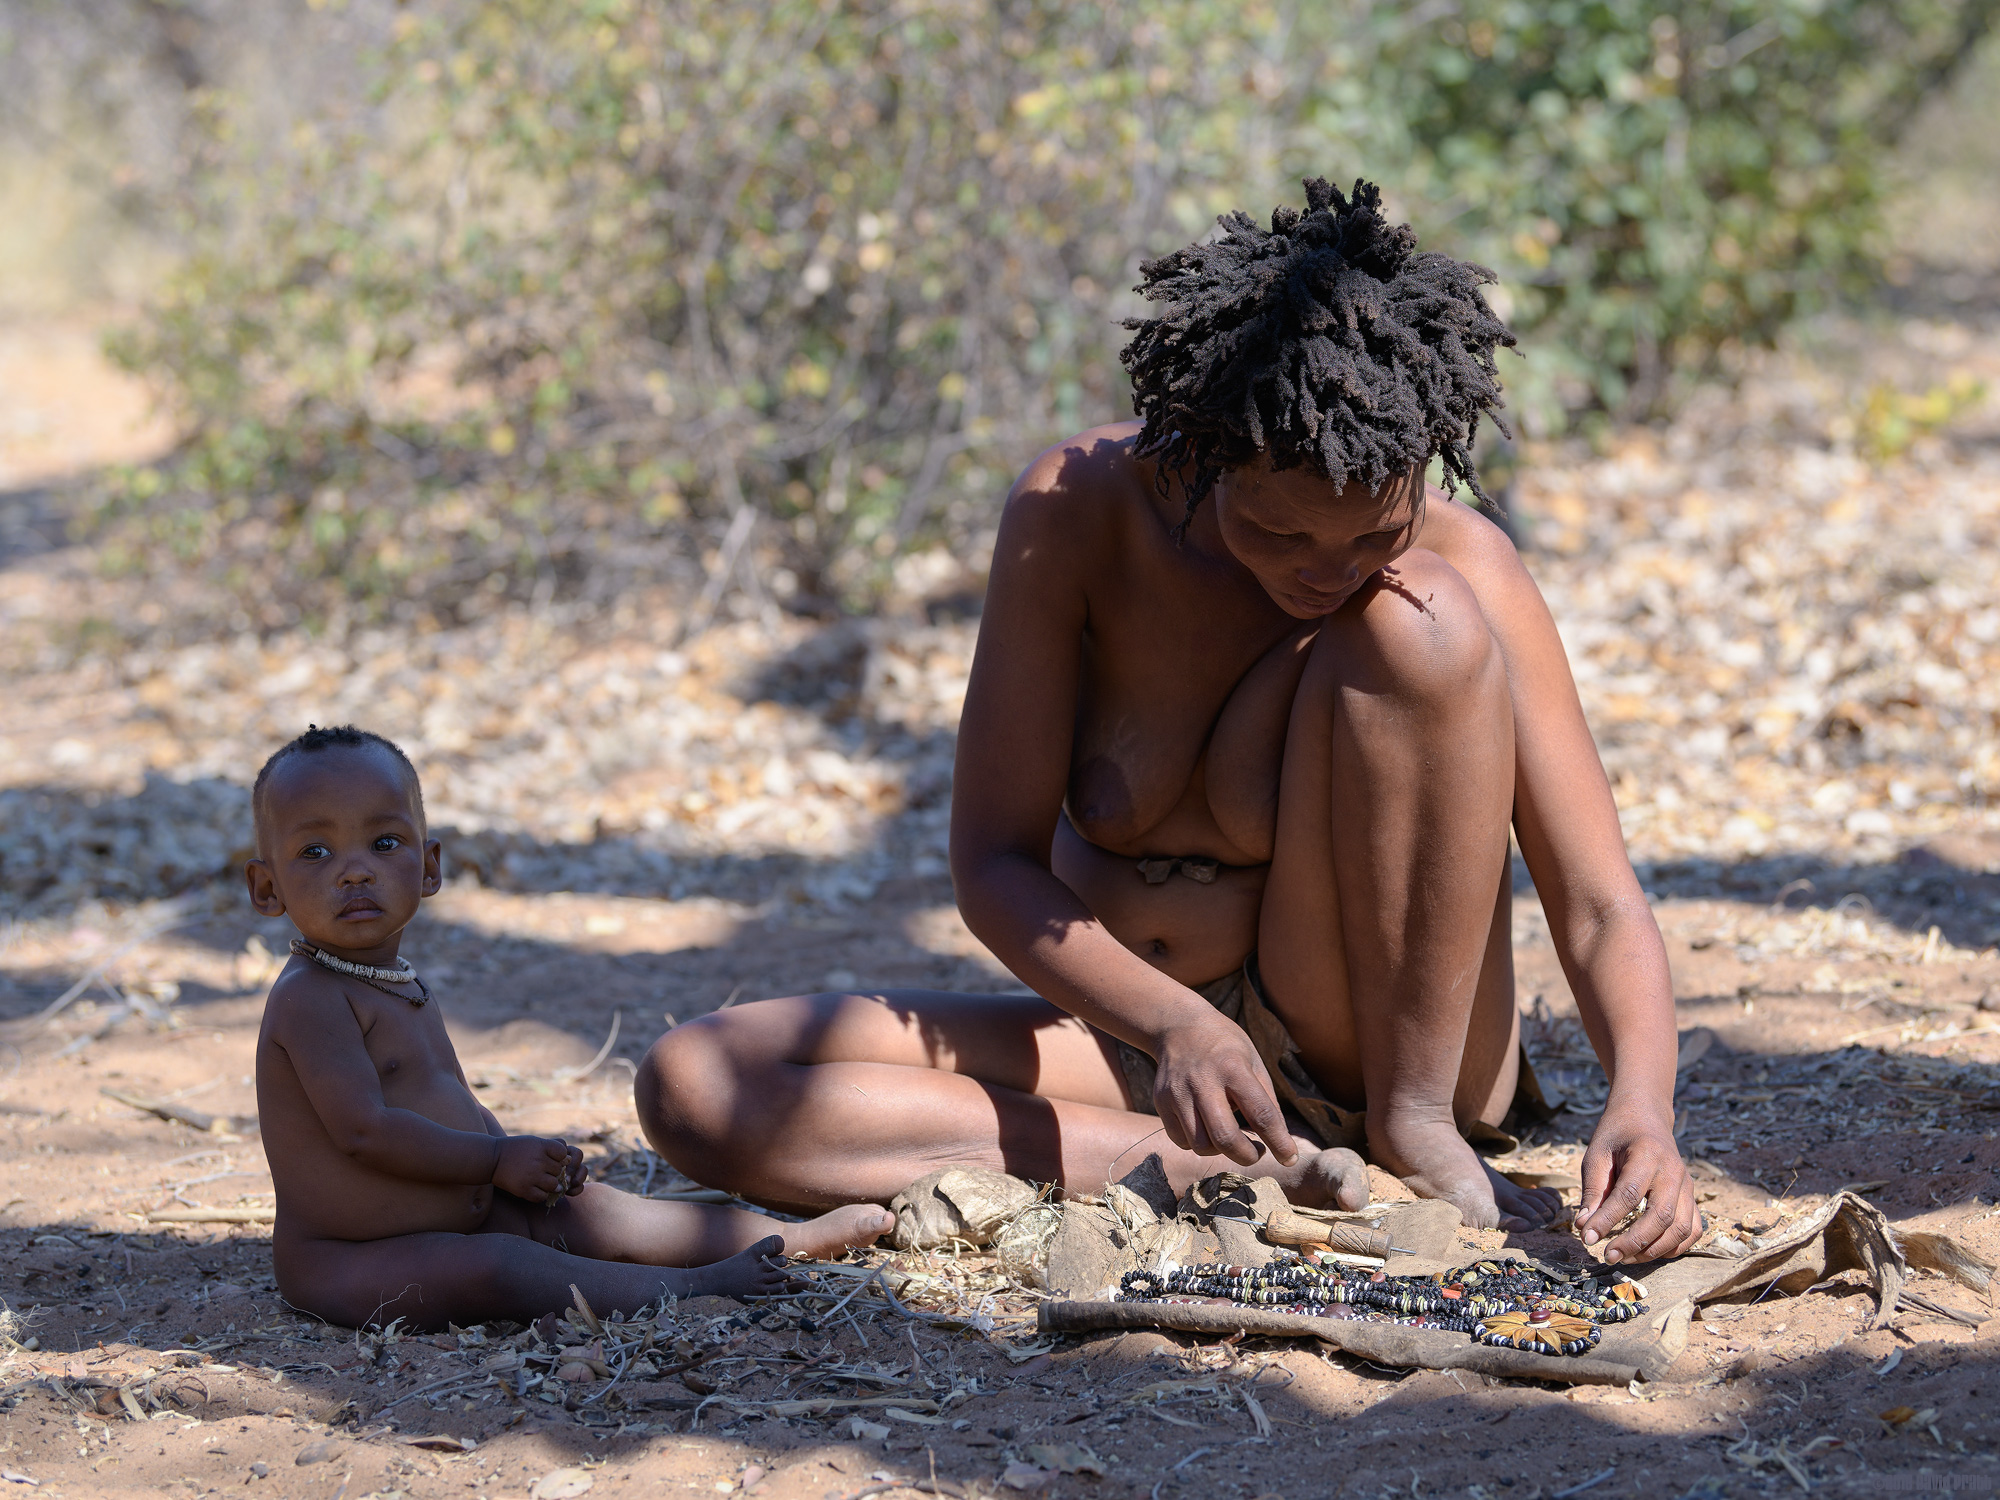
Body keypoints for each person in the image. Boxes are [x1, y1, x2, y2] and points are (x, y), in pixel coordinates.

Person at [640, 179, 1700, 1264]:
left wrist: (1642, 1108)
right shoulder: (1079, 516)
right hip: (1145, 1048)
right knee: (696, 1083)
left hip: (1375, 1052)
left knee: (1420, 625)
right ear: (1201, 449)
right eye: (1281, 532)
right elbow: (993, 863)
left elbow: (1598, 901)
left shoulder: (1457, 556)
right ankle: (1212, 1168)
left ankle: (1406, 1134)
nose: (1324, 573)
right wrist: (1179, 1026)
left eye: (1368, 535)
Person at [247, 724, 892, 1330]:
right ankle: (695, 1289)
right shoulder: (311, 999)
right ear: (266, 886)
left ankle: (787, 1240)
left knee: (590, 1208)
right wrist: (497, 1159)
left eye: (384, 843)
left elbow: (448, 1098)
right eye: (315, 851)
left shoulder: (393, 980)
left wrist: (521, 1157)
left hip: (462, 1212)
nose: (353, 869)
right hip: (351, 1261)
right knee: (499, 1269)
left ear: (429, 866)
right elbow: (364, 1132)